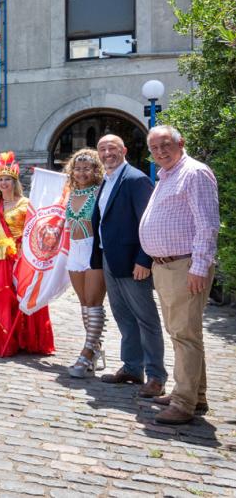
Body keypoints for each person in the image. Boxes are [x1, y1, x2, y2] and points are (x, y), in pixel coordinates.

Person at [139, 125, 220, 425]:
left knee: (185, 335)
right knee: (183, 333)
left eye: (165, 145)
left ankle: (184, 403)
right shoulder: (167, 175)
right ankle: (194, 395)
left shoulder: (194, 173)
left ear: (180, 143)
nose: (160, 151)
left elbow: (208, 224)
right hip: (167, 266)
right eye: (155, 148)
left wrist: (199, 266)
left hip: (185, 266)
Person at [93, 134, 166, 397]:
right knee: (123, 317)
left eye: (112, 148)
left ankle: (156, 376)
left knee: (146, 319)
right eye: (102, 149)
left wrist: (143, 260)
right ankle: (132, 368)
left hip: (133, 262)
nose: (107, 153)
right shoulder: (107, 180)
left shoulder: (135, 179)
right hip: (110, 259)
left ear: (123, 150)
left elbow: (148, 222)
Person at [0, 152, 55, 357]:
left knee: (21, 294)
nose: (3, 183)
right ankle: (0, 337)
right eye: (0, 180)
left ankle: (25, 337)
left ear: (14, 182)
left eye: (7, 179)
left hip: (19, 255)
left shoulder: (26, 203)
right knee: (0, 299)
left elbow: (35, 229)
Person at [61, 149, 106, 378]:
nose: (81, 172)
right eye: (77, 168)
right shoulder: (71, 193)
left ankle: (87, 352)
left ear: (95, 169)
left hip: (93, 249)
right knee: (84, 305)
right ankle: (96, 349)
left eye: (86, 168)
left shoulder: (100, 192)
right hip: (75, 251)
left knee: (93, 302)